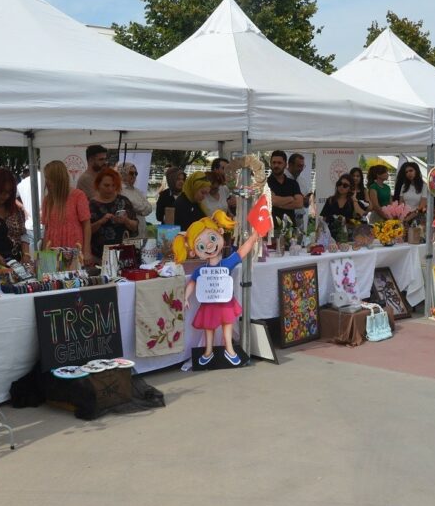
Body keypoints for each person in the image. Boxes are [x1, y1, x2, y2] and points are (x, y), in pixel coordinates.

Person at [173, 210, 262, 367]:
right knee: (209, 327)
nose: (209, 245)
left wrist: (254, 237)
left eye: (212, 238)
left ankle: (229, 349)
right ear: (194, 252)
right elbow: (192, 283)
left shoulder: (227, 263)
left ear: (220, 233)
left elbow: (242, 252)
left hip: (225, 301)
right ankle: (208, 351)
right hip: (209, 303)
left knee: (227, 325)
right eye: (201, 245)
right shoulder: (200, 271)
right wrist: (186, 296)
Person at [40, 160, 91, 256]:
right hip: (53, 247)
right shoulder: (47, 200)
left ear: (57, 178)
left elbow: (86, 225)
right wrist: (44, 254)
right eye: (46, 178)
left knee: (72, 270)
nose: (46, 182)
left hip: (73, 245)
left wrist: (87, 250)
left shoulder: (78, 196)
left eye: (48, 178)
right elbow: (47, 228)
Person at [88, 168, 137, 260]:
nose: (110, 189)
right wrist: (100, 222)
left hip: (122, 254)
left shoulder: (124, 201)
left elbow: (135, 226)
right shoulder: (91, 204)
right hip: (97, 256)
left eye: (113, 185)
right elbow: (86, 231)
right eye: (106, 185)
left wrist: (126, 221)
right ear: (98, 185)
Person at [117, 162, 154, 238]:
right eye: (131, 173)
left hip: (142, 230)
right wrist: (143, 208)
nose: (134, 176)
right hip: (129, 232)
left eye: (136, 173)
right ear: (123, 173)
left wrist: (142, 208)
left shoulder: (137, 191)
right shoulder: (120, 190)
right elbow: (136, 206)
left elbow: (150, 208)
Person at [268, 150, 302, 226]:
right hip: (272, 229)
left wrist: (277, 202)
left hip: (290, 229)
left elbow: (299, 203)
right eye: (274, 162)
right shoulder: (265, 183)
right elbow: (272, 200)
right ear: (270, 164)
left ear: (285, 165)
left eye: (279, 163)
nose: (276, 165)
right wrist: (291, 198)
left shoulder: (293, 183)